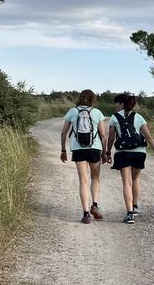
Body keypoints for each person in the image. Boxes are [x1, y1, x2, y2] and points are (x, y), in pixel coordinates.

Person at [102, 93, 154, 224]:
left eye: (116, 103)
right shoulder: (138, 117)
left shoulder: (114, 117)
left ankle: (129, 214)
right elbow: (148, 136)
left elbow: (111, 138)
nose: (115, 106)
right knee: (135, 179)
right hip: (139, 152)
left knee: (126, 182)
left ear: (122, 103)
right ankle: (134, 206)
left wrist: (107, 152)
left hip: (123, 153)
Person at [60, 90, 108, 223]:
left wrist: (63, 150)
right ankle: (95, 205)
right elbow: (103, 135)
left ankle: (86, 214)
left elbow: (63, 133)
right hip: (94, 148)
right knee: (95, 178)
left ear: (79, 98)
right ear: (93, 99)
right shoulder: (97, 112)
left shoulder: (72, 111)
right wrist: (105, 152)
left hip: (78, 149)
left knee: (83, 181)